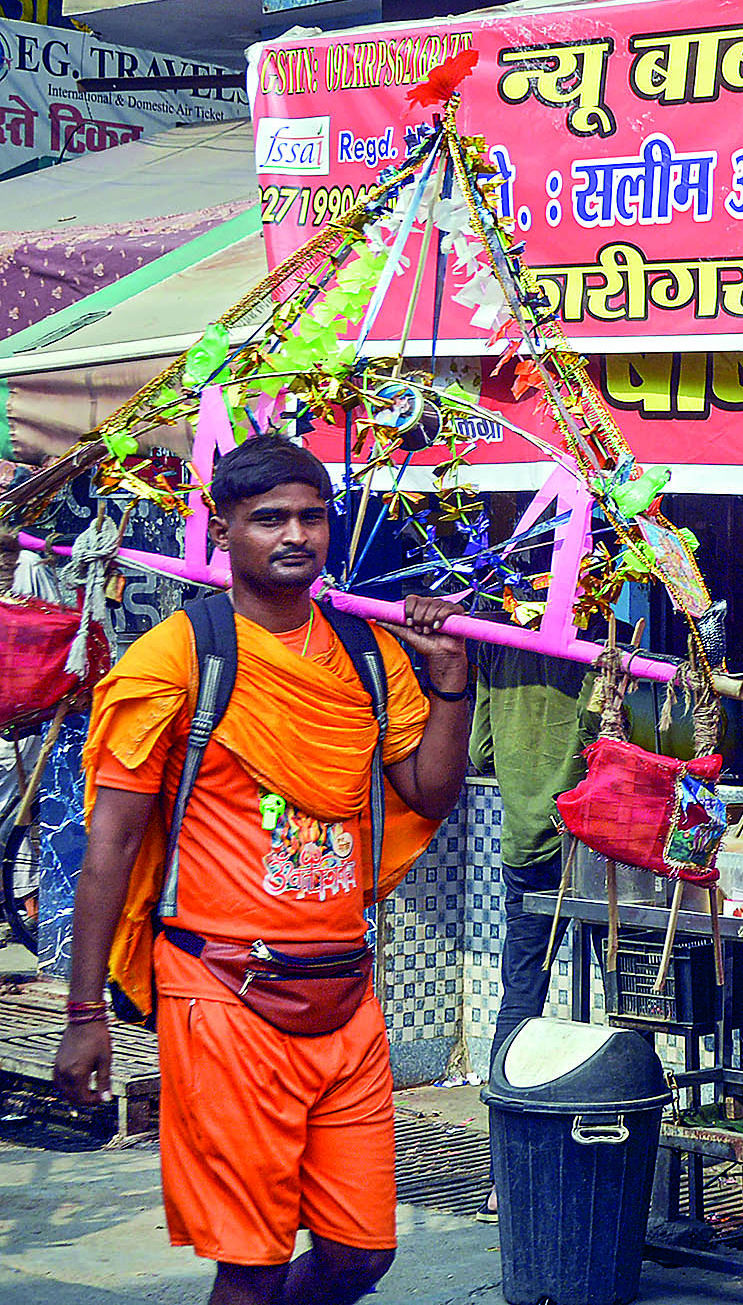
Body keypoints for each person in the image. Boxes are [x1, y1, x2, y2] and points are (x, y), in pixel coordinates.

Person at [54, 432, 474, 1305]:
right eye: (268, 518)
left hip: (346, 992)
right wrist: (85, 1012)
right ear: (222, 529)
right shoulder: (176, 655)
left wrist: (450, 686)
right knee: (249, 1267)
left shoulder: (366, 654)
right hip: (222, 991)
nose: (296, 535)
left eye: (313, 517)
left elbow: (429, 796)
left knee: (363, 1255)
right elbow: (110, 850)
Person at [470, 642, 596, 1069]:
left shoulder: (496, 646)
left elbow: (480, 753)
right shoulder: (594, 645)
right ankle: (626, 1104)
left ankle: (504, 1095)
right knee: (626, 993)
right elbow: (599, 734)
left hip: (524, 845)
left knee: (522, 989)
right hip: (588, 842)